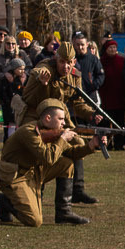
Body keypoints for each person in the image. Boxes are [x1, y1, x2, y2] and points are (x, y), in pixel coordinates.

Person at [0, 100, 103, 227]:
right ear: (48, 118)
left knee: (66, 163)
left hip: (32, 173)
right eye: (60, 119)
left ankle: (63, 212)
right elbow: (48, 158)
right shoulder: (29, 131)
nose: (64, 123)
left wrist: (91, 145)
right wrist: (62, 139)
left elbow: (70, 153)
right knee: (34, 221)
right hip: (15, 177)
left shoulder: (53, 132)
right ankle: (5, 201)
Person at [20, 46, 102, 205]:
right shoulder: (44, 69)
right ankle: (36, 192)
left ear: (74, 62)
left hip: (58, 118)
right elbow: (30, 97)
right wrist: (42, 83)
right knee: (39, 150)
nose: (66, 66)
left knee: (78, 142)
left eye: (69, 62)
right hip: (36, 115)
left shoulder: (75, 75)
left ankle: (76, 191)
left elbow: (77, 102)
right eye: (62, 62)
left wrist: (91, 114)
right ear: (55, 59)